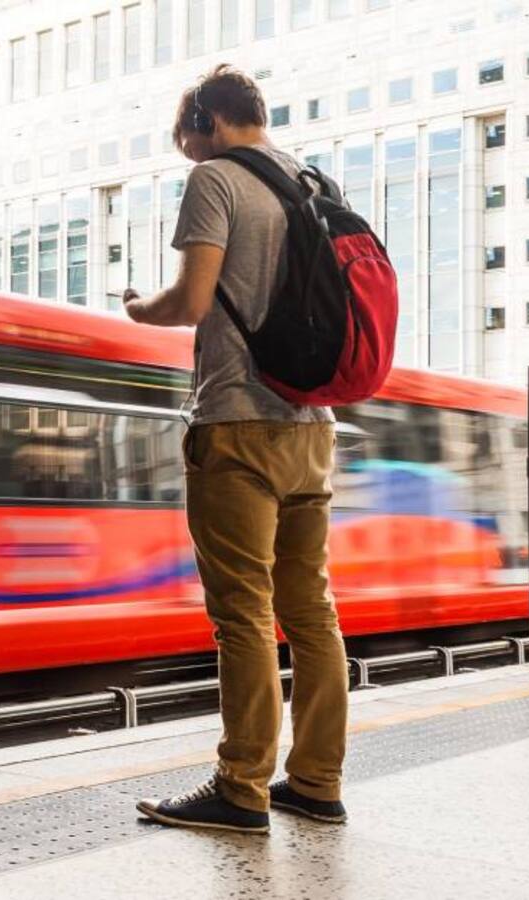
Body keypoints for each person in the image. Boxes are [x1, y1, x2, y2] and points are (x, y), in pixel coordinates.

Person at [127, 64, 349, 834]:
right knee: (312, 613)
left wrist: (137, 309)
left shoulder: (218, 178)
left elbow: (190, 301)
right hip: (313, 427)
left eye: (186, 140)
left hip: (237, 422)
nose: (187, 155)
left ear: (208, 122)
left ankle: (241, 786)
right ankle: (317, 781)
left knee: (244, 614)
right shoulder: (312, 181)